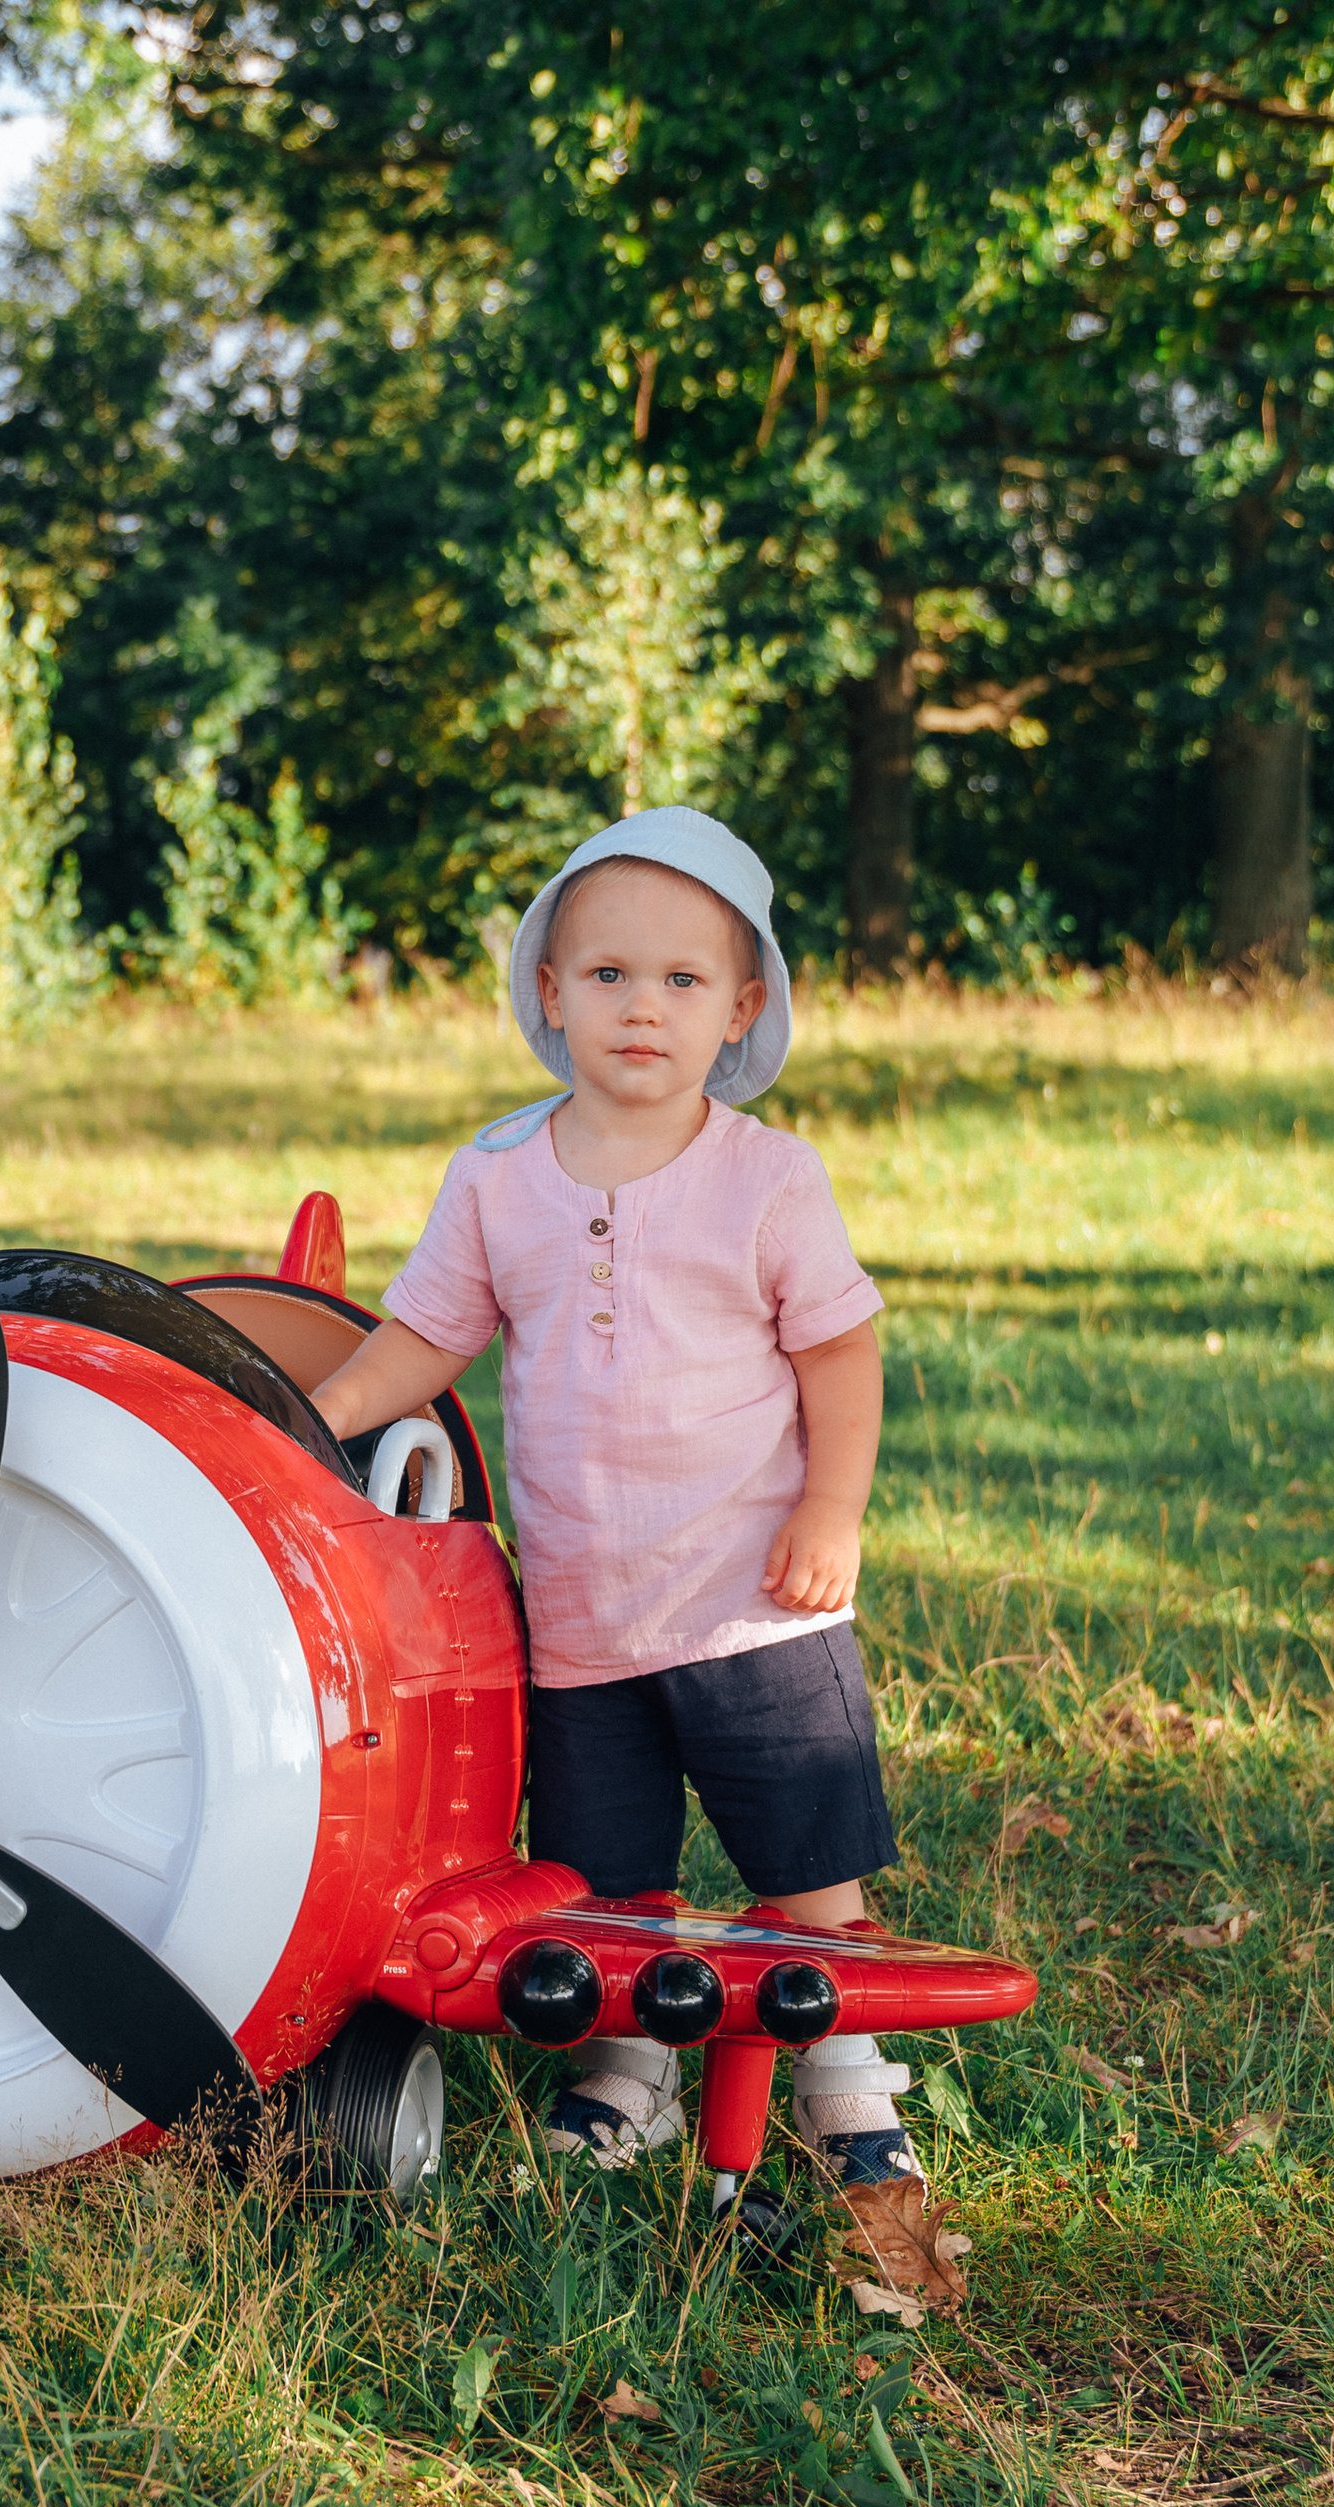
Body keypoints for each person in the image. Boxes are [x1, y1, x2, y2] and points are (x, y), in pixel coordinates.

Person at [309, 806, 917, 2189]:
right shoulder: (500, 1177)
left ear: (741, 1009)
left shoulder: (767, 1178)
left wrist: (832, 1517)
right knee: (606, 1877)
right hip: (582, 1613)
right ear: (550, 994)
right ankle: (627, 2071)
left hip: (754, 1600)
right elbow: (428, 1336)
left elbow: (840, 1353)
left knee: (806, 1859)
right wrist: (317, 1416)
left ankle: (853, 2086)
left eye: (683, 981)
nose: (643, 1008)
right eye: (609, 977)